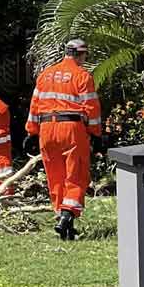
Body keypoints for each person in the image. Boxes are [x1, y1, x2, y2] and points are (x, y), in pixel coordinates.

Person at [25, 39, 102, 241]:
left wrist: (31, 131)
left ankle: (63, 221)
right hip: (71, 129)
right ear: (81, 54)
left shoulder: (45, 75)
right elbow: (91, 108)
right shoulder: (82, 76)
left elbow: (34, 105)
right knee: (75, 174)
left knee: (55, 175)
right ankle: (67, 215)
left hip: (46, 129)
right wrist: (96, 133)